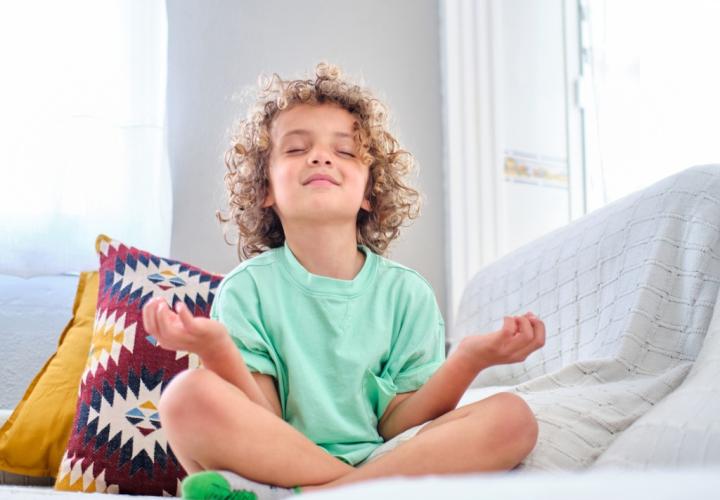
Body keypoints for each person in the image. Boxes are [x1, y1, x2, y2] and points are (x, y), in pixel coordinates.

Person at [141, 62, 545, 500]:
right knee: (185, 397)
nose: (320, 156)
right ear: (265, 189)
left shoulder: (407, 294)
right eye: (296, 149)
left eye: (346, 151)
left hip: (383, 459)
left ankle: (318, 494)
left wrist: (468, 358)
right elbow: (265, 422)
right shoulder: (246, 290)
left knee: (514, 418)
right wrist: (216, 349)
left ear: (370, 191)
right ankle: (340, 492)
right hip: (274, 464)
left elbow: (398, 423)